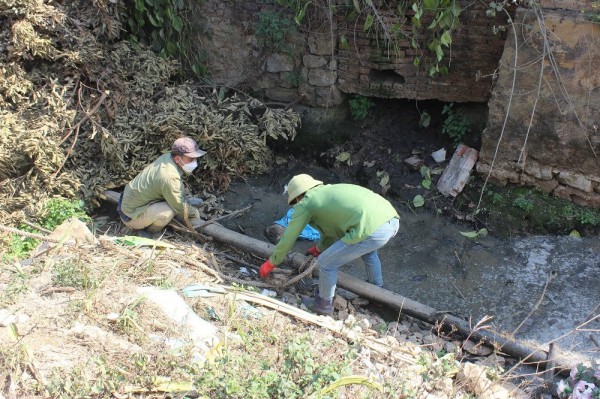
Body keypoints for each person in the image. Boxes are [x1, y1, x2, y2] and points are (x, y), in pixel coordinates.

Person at [259, 174, 400, 315]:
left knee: (326, 264)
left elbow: (288, 237)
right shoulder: (327, 192)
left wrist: (271, 262)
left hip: (373, 231)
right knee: (368, 252)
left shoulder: (305, 203)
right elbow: (330, 230)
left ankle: (322, 305)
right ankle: (377, 291)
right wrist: (319, 248)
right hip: (391, 221)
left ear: (296, 197)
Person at [117, 137, 207, 238]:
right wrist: (193, 213)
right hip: (130, 216)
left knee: (177, 200)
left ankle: (183, 203)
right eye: (191, 159)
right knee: (167, 212)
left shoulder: (168, 157)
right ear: (178, 158)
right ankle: (149, 232)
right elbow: (179, 208)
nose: (195, 161)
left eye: (195, 158)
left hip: (128, 201)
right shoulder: (169, 176)